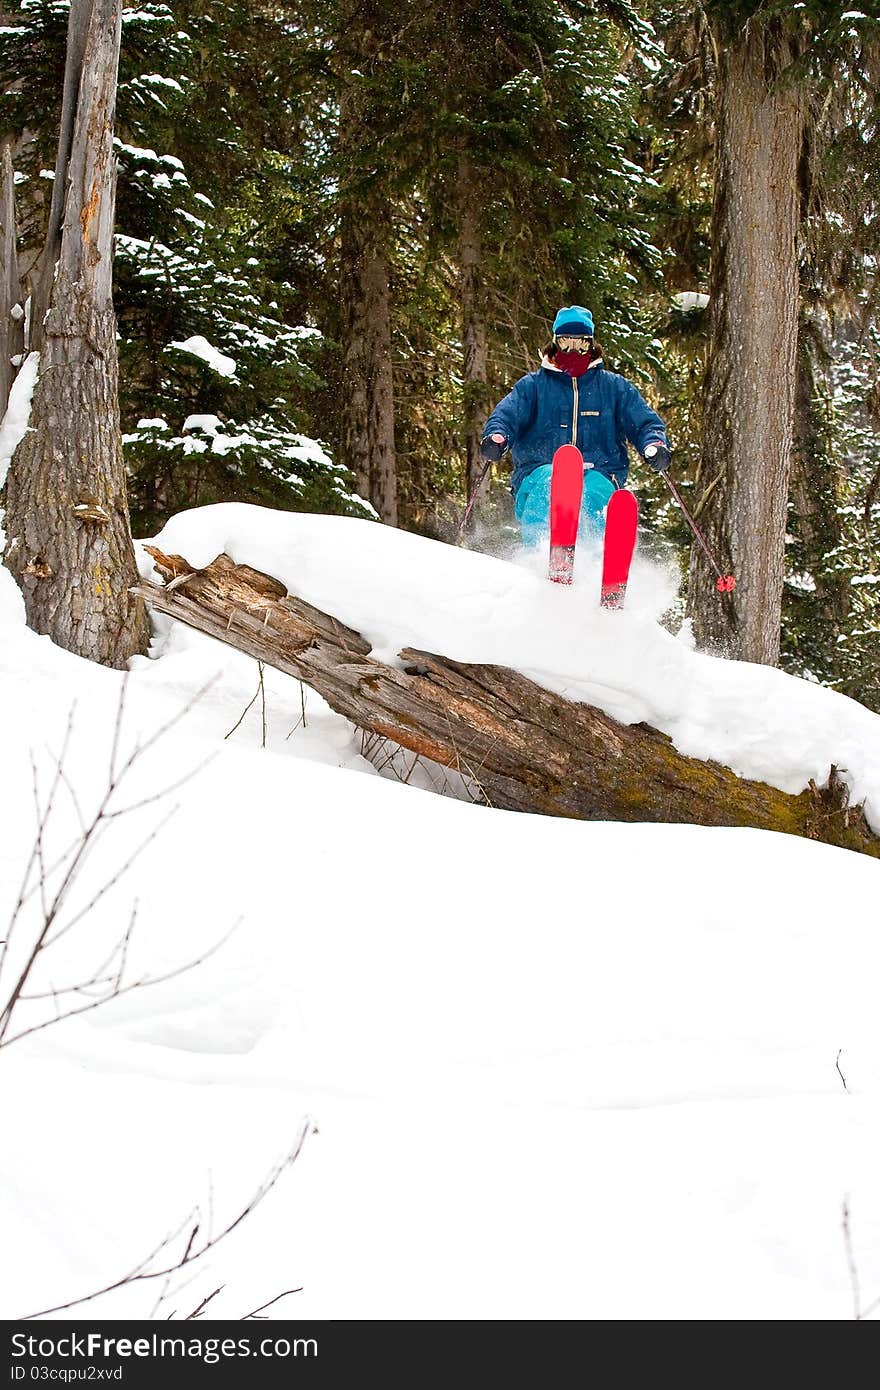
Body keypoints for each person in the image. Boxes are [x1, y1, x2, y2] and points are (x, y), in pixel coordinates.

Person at [480, 305, 671, 546]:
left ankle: (593, 560)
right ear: (555, 343)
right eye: (565, 343)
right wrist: (497, 436)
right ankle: (543, 551)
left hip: (599, 470)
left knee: (595, 496)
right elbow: (506, 415)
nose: (573, 350)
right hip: (538, 470)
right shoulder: (533, 386)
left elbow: (645, 423)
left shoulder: (613, 388)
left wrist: (654, 444)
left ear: (591, 345)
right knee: (550, 486)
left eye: (580, 344)